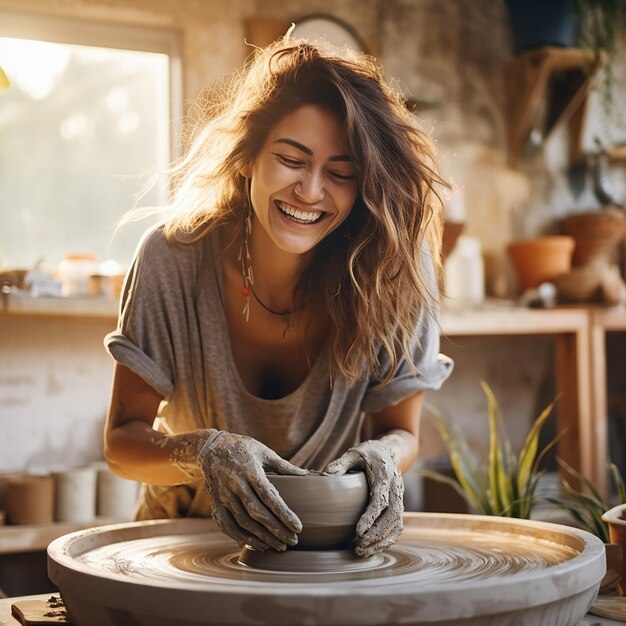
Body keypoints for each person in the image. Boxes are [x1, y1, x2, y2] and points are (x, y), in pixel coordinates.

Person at [103, 37, 453, 559]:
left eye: (340, 173)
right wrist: (207, 453)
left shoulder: (393, 271)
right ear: (247, 157)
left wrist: (383, 456)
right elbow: (122, 445)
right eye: (292, 159)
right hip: (183, 548)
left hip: (326, 552)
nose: (310, 191)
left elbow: (402, 433)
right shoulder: (171, 259)